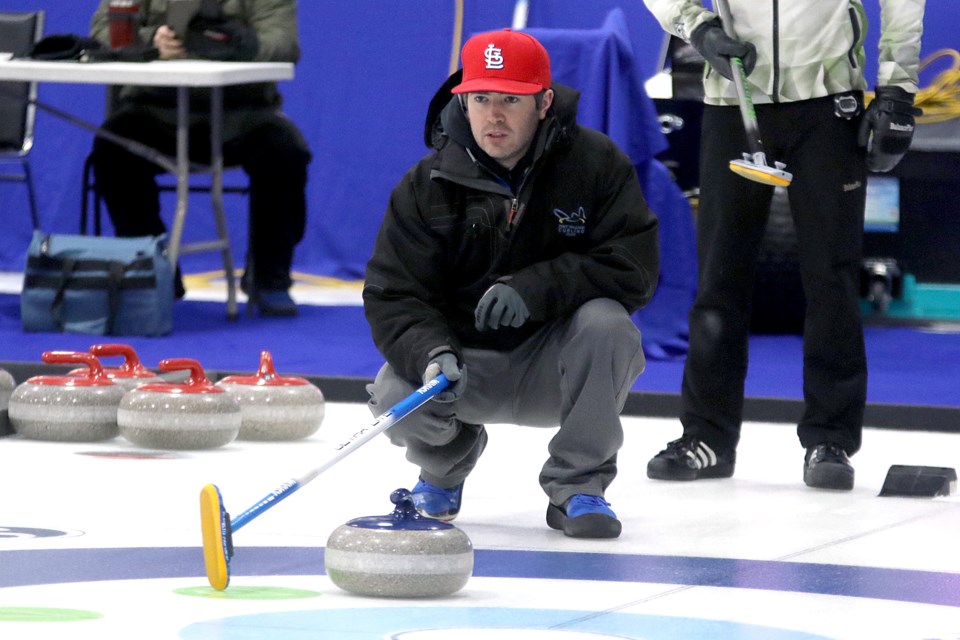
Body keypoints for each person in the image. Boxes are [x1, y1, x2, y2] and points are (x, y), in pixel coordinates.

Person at [363, 29, 660, 539]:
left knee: (609, 325)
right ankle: (443, 468)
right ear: (463, 99)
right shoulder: (424, 183)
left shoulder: (596, 163)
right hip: (462, 367)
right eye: (480, 98)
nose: (493, 116)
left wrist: (535, 287)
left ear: (544, 102)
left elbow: (632, 266)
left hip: (554, 366)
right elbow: (393, 293)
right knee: (394, 386)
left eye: (510, 100)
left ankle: (579, 487)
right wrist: (432, 351)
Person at [640, 0, 924, 489]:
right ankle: (706, 436)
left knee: (831, 277)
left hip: (829, 104)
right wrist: (697, 26)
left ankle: (830, 439)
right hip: (734, 97)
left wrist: (897, 87)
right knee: (718, 278)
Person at [89, 0, 312, 316]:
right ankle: (153, 269)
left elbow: (284, 43)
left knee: (285, 152)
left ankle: (269, 277)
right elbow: (102, 29)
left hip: (242, 116)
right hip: (156, 111)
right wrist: (151, 39)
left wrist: (234, 42)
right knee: (112, 148)